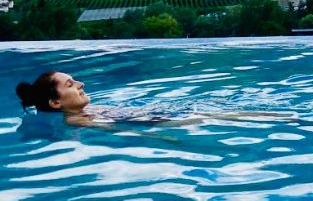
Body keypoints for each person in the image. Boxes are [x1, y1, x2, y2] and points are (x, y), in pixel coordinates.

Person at [15, 69, 290, 127]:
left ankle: (284, 118)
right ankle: (288, 119)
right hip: (154, 121)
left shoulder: (86, 112)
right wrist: (161, 136)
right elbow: (122, 131)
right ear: (55, 103)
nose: (81, 84)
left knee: (216, 111)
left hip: (158, 113)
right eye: (71, 84)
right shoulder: (76, 122)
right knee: (211, 116)